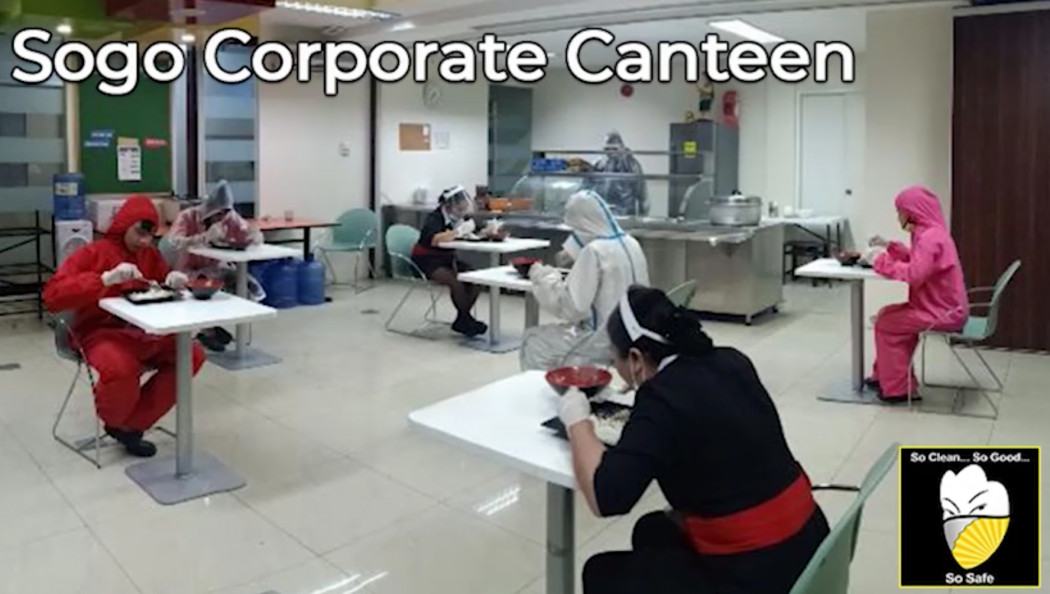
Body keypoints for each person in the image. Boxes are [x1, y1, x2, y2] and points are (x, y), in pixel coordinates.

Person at [558, 286, 829, 594]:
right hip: (809, 542)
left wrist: (577, 420)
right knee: (652, 530)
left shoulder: (660, 398)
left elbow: (606, 496)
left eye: (615, 359)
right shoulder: (733, 360)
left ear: (635, 358)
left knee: (600, 572)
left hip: (760, 573)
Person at [44, 196, 207, 458]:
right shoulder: (93, 253)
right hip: (98, 332)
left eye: (150, 235)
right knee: (120, 367)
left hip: (144, 331)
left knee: (192, 355)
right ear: (124, 224)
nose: (144, 241)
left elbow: (159, 286)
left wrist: (172, 281)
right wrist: (103, 279)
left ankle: (131, 425)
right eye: (139, 233)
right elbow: (53, 296)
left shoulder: (149, 255)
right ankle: (116, 420)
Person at [520, 190, 649, 370]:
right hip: (634, 334)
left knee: (533, 340)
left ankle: (555, 386)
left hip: (601, 340)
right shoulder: (631, 242)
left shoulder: (594, 251)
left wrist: (543, 276)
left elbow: (572, 309)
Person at [866, 185, 969, 402]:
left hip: (940, 312)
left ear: (913, 212)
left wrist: (879, 261)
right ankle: (886, 377)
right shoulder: (932, 234)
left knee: (886, 323)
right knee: (887, 315)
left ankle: (898, 389)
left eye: (900, 211)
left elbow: (915, 274)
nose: (898, 217)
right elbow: (918, 259)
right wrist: (889, 246)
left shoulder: (930, 238)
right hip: (941, 308)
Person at [160, 180, 264, 352]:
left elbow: (246, 231)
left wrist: (254, 236)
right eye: (218, 214)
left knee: (243, 281)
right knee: (204, 287)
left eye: (225, 213)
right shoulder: (188, 216)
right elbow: (174, 242)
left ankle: (220, 325)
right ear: (210, 210)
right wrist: (204, 237)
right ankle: (207, 331)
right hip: (186, 268)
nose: (221, 218)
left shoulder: (229, 217)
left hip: (214, 267)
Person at [411, 186, 501, 337]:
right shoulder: (435, 218)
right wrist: (458, 231)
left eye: (464, 209)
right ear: (448, 206)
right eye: (459, 209)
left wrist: (490, 230)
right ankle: (465, 319)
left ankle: (462, 319)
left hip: (446, 259)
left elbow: (475, 230)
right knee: (456, 281)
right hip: (426, 261)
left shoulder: (458, 218)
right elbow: (434, 239)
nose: (462, 212)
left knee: (475, 278)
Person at [586, 130, 648, 216]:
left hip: (626, 213)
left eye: (614, 149)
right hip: (602, 213)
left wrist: (642, 214)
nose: (610, 152)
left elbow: (641, 192)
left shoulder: (631, 164)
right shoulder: (598, 164)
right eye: (607, 149)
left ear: (622, 148)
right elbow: (586, 187)